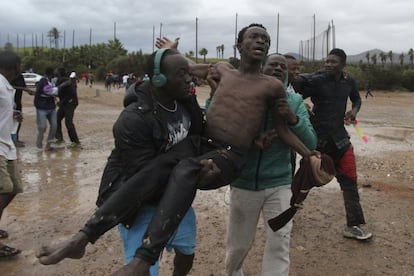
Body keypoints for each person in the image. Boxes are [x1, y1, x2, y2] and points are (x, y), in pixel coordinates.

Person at [36, 24, 314, 275]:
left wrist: (310, 155)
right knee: (152, 170)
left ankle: (143, 259)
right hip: (203, 144)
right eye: (254, 36)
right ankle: (82, 238)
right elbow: (184, 69)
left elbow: (284, 130)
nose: (261, 41)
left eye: (265, 39)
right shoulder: (222, 70)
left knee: (185, 169)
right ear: (239, 46)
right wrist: (172, 52)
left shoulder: (272, 85)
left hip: (232, 154)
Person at [37, 48, 207, 274]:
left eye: (189, 72)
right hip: (138, 204)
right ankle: (80, 241)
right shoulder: (133, 119)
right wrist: (189, 168)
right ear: (159, 78)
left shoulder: (183, 102)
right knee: (142, 269)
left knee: (186, 252)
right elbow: (146, 180)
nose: (189, 78)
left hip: (175, 197)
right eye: (181, 73)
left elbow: (198, 136)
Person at [225, 53, 317, 276]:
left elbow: (311, 142)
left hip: (280, 184)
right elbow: (224, 131)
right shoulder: (242, 96)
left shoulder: (294, 101)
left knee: (279, 242)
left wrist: (292, 119)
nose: (278, 68)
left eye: (282, 66)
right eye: (272, 64)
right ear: (261, 68)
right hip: (244, 183)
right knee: (239, 245)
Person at [294, 48, 373, 241]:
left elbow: (356, 99)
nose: (329, 64)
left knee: (349, 181)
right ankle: (286, 215)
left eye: (333, 62)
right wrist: (302, 107)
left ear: (343, 64)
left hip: (340, 140)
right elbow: (295, 92)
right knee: (305, 179)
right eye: (327, 61)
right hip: (317, 141)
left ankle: (353, 225)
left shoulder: (348, 81)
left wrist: (354, 111)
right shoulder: (317, 79)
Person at [0, 50, 24, 259]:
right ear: (14, 67)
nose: (20, 69)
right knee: (4, 187)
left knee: (14, 187)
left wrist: (13, 114)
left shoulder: (7, 87)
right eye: (19, 66)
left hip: (7, 146)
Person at [34, 67, 69, 150]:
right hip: (42, 107)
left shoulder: (52, 81)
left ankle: (49, 144)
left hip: (51, 107)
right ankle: (39, 142)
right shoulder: (43, 80)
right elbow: (49, 91)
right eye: (54, 71)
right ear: (51, 73)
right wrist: (61, 86)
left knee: (54, 126)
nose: (56, 73)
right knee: (42, 127)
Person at [55, 68, 81, 149]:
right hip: (65, 102)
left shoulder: (65, 81)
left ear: (59, 73)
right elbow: (58, 92)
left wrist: (62, 101)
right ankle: (59, 138)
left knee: (68, 122)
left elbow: (72, 93)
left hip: (70, 103)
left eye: (57, 71)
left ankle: (75, 142)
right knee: (56, 119)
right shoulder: (62, 80)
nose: (55, 72)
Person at [10, 73, 35, 147]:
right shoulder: (7, 75)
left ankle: (15, 139)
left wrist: (29, 91)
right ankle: (11, 141)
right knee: (10, 121)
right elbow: (8, 87)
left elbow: (24, 87)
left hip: (17, 102)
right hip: (9, 101)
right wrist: (24, 89)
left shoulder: (20, 76)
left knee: (18, 120)